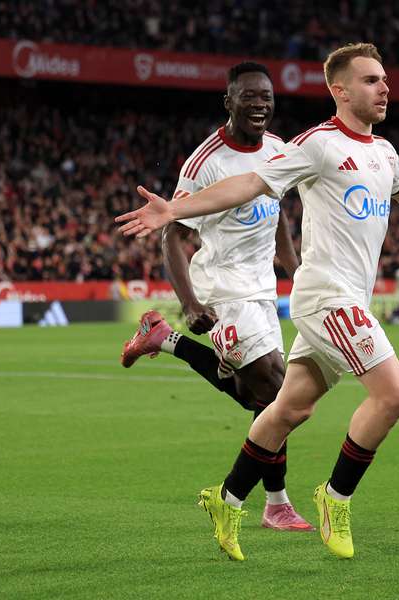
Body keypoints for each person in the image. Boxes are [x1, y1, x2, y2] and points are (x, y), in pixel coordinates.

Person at [115, 43, 399, 561]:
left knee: (288, 406)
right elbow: (248, 183)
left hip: (339, 295)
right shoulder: (317, 145)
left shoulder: (384, 152)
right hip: (325, 298)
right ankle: (335, 499)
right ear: (340, 90)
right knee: (394, 395)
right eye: (372, 80)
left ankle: (227, 498)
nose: (384, 88)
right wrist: (174, 208)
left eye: (385, 80)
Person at [118, 62, 312, 532]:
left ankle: (165, 341)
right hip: (220, 287)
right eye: (249, 96)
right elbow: (172, 234)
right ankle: (271, 503)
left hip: (261, 290)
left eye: (266, 96)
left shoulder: (278, 151)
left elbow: (279, 217)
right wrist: (188, 303)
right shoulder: (205, 163)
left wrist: (298, 272)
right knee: (278, 390)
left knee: (260, 400)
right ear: (228, 101)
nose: (260, 103)